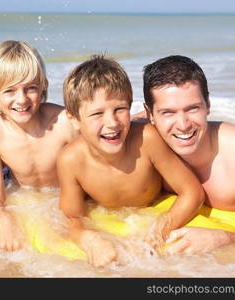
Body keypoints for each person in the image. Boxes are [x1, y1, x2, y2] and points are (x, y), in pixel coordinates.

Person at [58, 55, 205, 267]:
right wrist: (89, 240)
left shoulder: (147, 140)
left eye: (120, 109)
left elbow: (192, 192)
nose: (112, 122)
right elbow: (72, 218)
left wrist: (157, 233)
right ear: (73, 119)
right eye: (97, 113)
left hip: (153, 204)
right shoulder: (70, 160)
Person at [142, 55, 235, 255]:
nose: (183, 124)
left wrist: (224, 237)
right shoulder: (142, 143)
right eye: (168, 112)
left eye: (193, 108)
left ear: (208, 105)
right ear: (150, 114)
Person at [0, 41, 78, 251]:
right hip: (25, 198)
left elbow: (89, 172)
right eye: (10, 91)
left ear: (42, 86)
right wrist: (2, 217)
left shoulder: (64, 122)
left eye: (30, 88)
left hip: (65, 197)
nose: (21, 100)